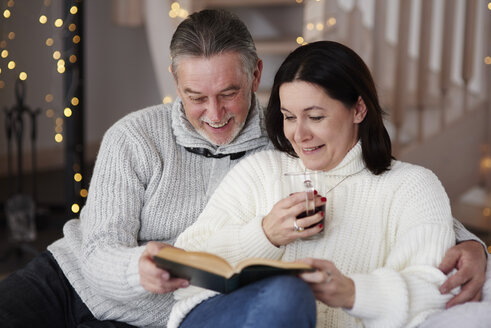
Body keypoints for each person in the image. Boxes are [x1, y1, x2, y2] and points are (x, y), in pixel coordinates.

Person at [0, 9, 485, 328]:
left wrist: (467, 241)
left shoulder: (284, 148)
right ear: (175, 81)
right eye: (196, 97)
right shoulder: (135, 137)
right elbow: (99, 248)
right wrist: (137, 267)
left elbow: (379, 184)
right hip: (75, 280)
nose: (214, 113)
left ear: (255, 76)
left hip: (153, 318)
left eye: (229, 93)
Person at [168, 41, 490, 328]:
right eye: (289, 117)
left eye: (316, 117)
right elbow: (184, 269)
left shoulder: (411, 186)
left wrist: (353, 292)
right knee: (288, 293)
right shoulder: (261, 171)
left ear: (358, 109)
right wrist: (264, 234)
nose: (299, 134)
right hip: (228, 318)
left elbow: (434, 290)